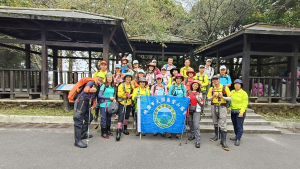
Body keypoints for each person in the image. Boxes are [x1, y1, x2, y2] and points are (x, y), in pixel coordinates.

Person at [73, 72, 104, 148]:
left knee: (89, 118)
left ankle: (83, 134)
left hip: (87, 103)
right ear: (96, 77)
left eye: (102, 79)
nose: (100, 80)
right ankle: (77, 141)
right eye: (99, 78)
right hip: (81, 101)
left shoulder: (98, 86)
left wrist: (93, 106)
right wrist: (91, 90)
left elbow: (94, 97)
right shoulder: (90, 83)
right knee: (78, 119)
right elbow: (86, 89)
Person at [207, 75, 232, 151]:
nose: (215, 81)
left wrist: (223, 97)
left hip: (222, 107)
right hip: (213, 106)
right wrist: (212, 97)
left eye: (216, 79)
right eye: (213, 79)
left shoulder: (225, 88)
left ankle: (223, 142)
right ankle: (216, 136)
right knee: (215, 121)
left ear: (219, 80)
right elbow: (208, 98)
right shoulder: (211, 89)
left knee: (223, 123)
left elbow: (230, 98)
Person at [229, 79, 248, 146]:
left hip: (240, 111)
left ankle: (238, 138)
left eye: (238, 84)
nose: (237, 85)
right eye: (235, 84)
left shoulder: (244, 93)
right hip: (233, 111)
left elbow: (245, 103)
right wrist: (228, 108)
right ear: (234, 85)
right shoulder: (232, 92)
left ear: (240, 85)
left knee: (239, 125)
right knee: (234, 124)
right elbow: (229, 101)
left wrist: (242, 112)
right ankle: (236, 135)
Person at [98, 72, 117, 139]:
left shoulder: (113, 86)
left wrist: (114, 99)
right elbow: (99, 95)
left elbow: (114, 94)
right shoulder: (103, 86)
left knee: (109, 118)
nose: (109, 78)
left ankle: (108, 131)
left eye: (110, 77)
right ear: (106, 78)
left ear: (112, 78)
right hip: (104, 104)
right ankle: (103, 133)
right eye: (108, 77)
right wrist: (109, 98)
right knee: (104, 118)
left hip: (110, 105)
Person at [168, 73, 187, 138]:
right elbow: (169, 96)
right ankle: (170, 132)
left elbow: (185, 96)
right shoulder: (172, 86)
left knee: (179, 118)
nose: (178, 80)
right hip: (173, 105)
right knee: (171, 117)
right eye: (177, 78)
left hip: (180, 105)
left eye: (180, 79)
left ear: (182, 80)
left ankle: (178, 132)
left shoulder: (183, 86)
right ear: (175, 79)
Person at [116, 72, 134, 141]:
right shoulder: (121, 85)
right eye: (127, 77)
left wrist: (130, 95)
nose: (128, 78)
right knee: (121, 117)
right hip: (122, 103)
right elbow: (119, 94)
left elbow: (133, 92)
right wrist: (125, 95)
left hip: (128, 103)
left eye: (129, 77)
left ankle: (125, 129)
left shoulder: (131, 85)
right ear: (125, 78)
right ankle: (118, 131)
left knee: (126, 117)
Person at [186, 80, 203, 148]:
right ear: (192, 85)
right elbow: (186, 101)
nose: (195, 86)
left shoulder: (199, 93)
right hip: (190, 109)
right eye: (194, 84)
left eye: (197, 85)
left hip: (196, 110)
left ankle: (198, 139)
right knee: (190, 123)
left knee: (196, 124)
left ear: (198, 86)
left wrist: (198, 99)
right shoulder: (188, 92)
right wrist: (187, 99)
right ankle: (193, 135)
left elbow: (201, 103)